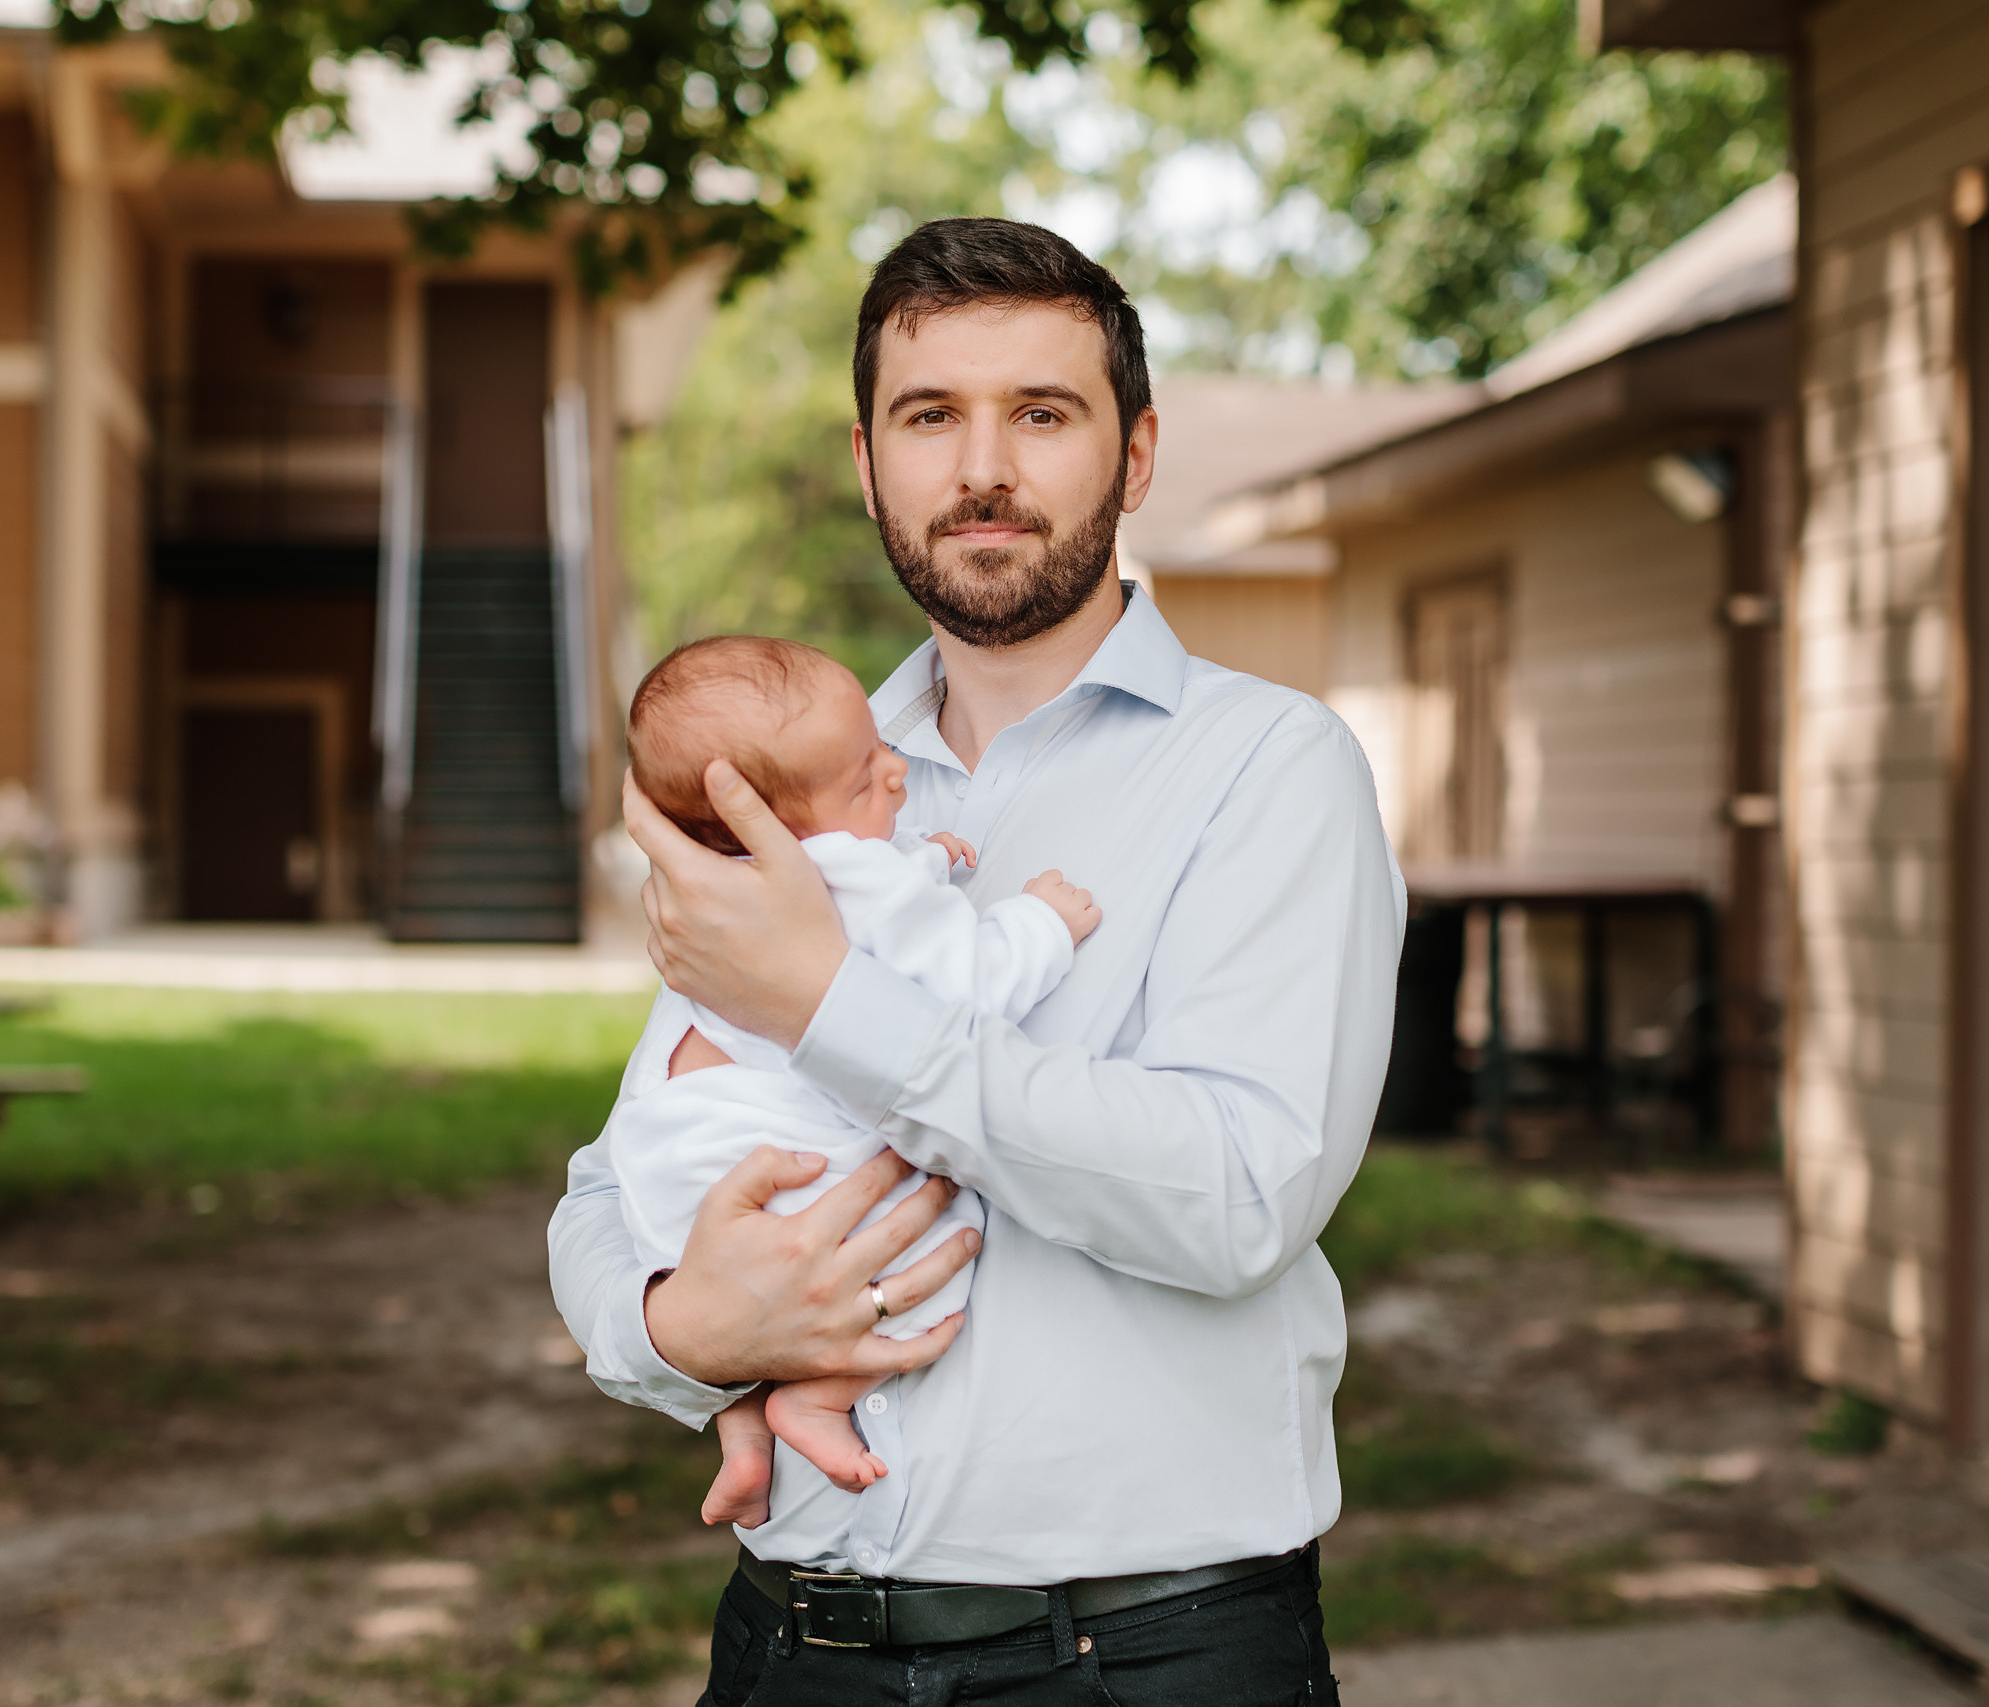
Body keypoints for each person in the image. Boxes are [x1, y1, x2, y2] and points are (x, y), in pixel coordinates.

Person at [550, 217, 1402, 1706]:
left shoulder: (1271, 766)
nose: (982, 467)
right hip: (794, 1646)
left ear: (1135, 456)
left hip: (1136, 1656)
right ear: (868, 460)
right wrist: (679, 1326)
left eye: (1043, 413)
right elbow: (622, 1172)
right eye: (931, 415)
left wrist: (835, 1008)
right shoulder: (792, 787)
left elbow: (1239, 1194)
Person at [612, 633, 1102, 1527]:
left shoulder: (720, 889)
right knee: (930, 1228)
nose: (895, 772)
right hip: (783, 1158)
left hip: (673, 1171)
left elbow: (857, 882)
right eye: (861, 778)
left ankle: (743, 1422)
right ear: (770, 823)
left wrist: (921, 855)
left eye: (882, 743)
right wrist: (1042, 922)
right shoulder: (856, 872)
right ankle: (818, 1396)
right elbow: (967, 979)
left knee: (747, 1298)